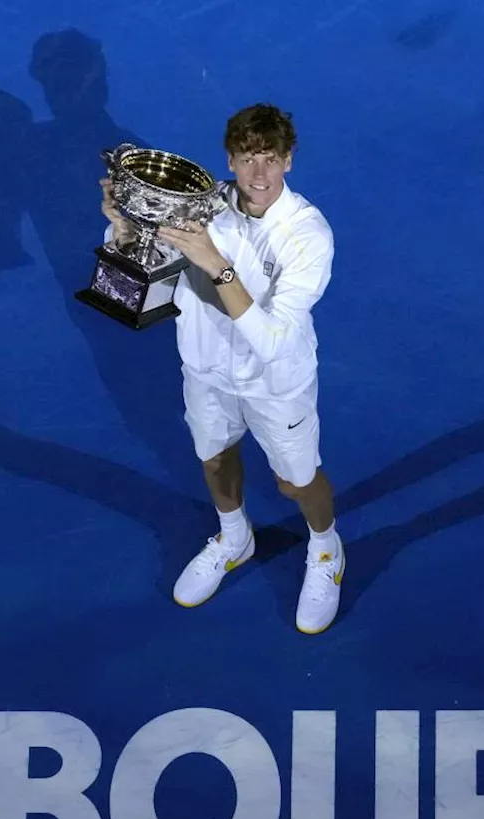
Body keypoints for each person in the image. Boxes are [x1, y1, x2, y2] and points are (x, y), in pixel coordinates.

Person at [100, 103, 342, 634]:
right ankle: (235, 538)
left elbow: (273, 342)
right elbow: (138, 294)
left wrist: (216, 264)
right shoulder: (197, 209)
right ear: (229, 161)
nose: (259, 174)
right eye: (248, 159)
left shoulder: (308, 234)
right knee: (213, 459)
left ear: (289, 162)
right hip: (205, 370)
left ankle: (326, 550)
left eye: (271, 159)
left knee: (295, 482)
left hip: (276, 383)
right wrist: (123, 233)